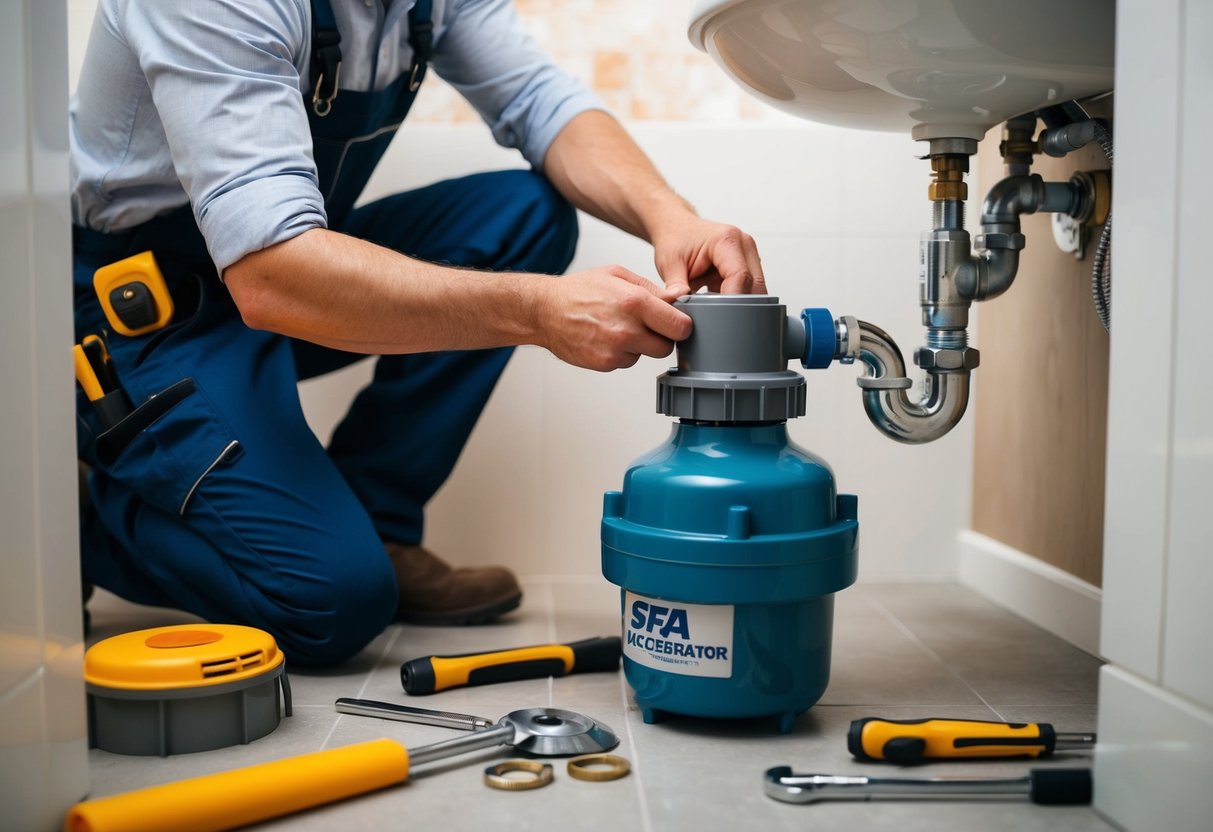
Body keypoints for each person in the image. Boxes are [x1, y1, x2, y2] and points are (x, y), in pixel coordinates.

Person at [71, 0, 766, 666]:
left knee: (522, 218)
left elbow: (537, 100)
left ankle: (378, 523)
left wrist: (672, 219)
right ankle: (74, 525)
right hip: (141, 322)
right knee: (326, 603)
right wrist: (537, 312)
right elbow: (272, 277)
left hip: (267, 274)